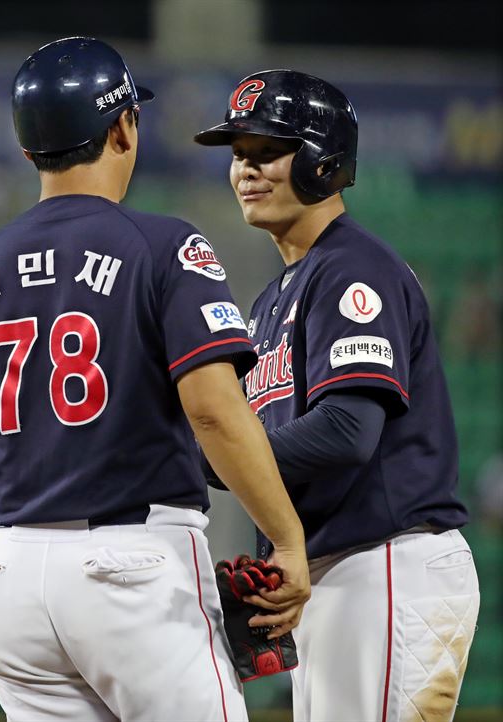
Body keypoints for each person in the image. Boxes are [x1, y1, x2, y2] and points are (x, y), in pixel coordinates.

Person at [0, 39, 310, 722]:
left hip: (13, 575)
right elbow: (213, 412)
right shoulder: (164, 246)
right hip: (135, 563)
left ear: (30, 149)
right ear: (123, 127)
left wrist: (38, 536)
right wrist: (289, 543)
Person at [194, 70, 480, 722]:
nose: (246, 169)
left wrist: (212, 459)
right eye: (239, 154)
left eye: (269, 150)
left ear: (324, 161)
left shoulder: (354, 266)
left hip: (384, 564)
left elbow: (347, 430)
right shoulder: (271, 300)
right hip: (331, 573)